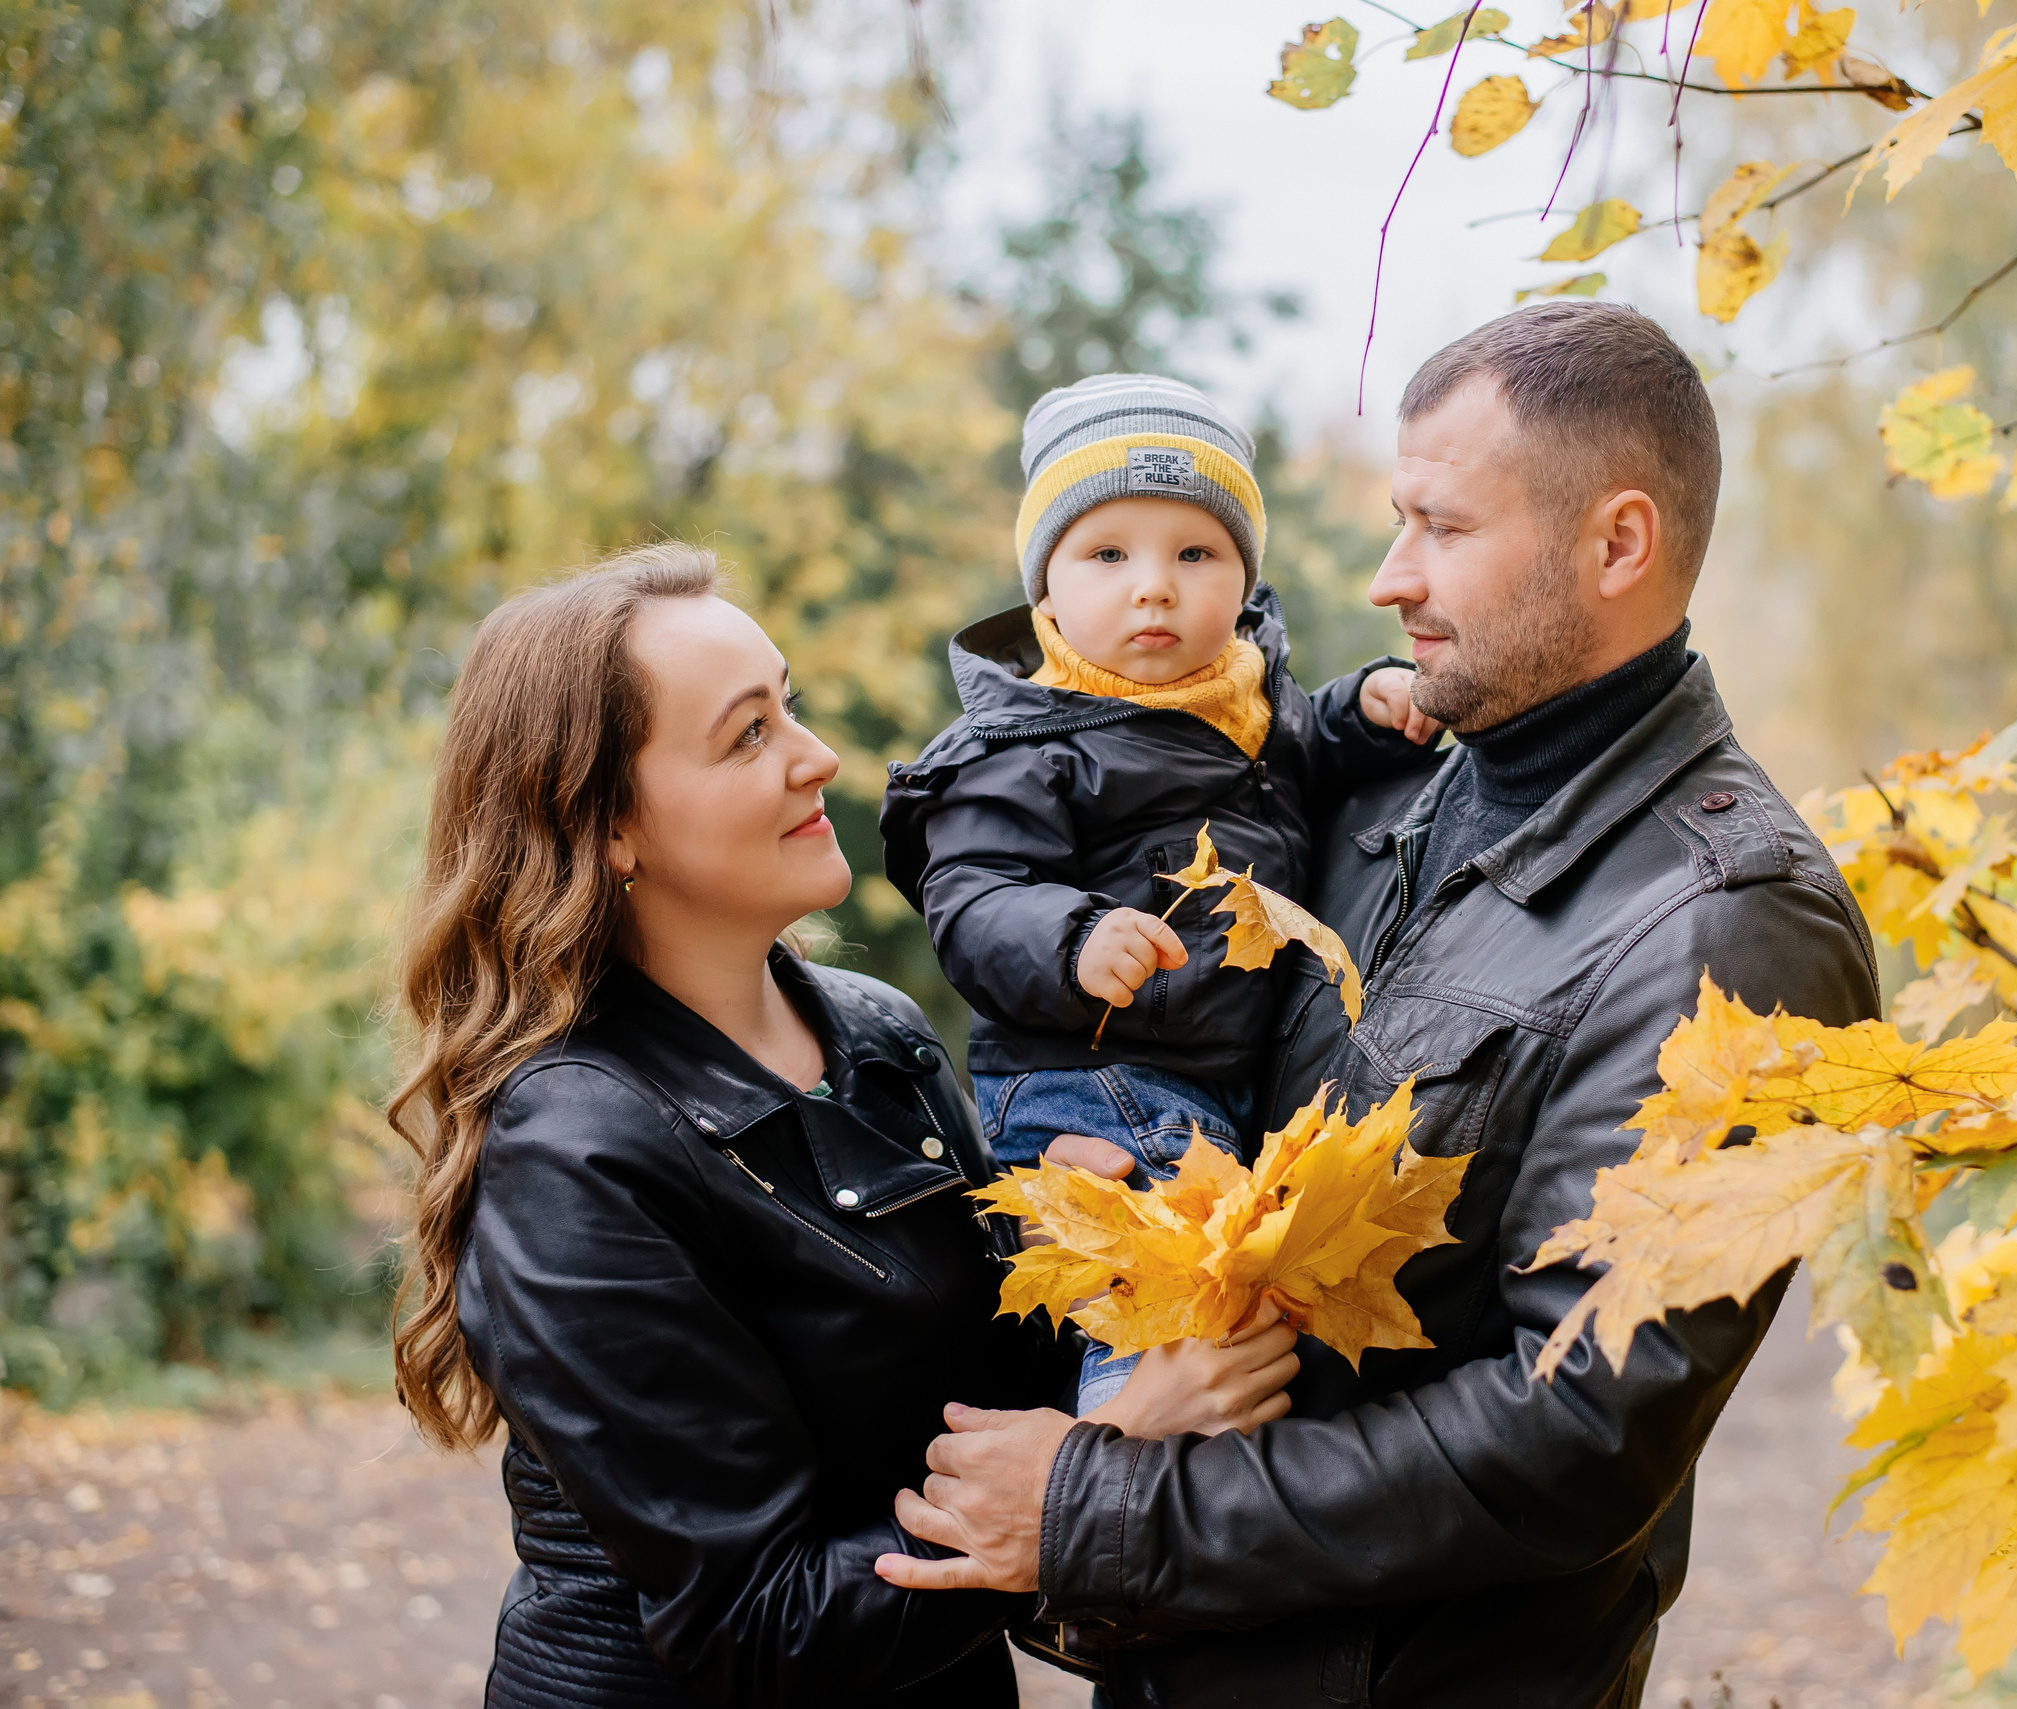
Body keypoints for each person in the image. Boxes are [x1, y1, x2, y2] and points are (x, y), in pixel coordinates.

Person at [875, 303, 1882, 1708]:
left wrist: (1101, 1510)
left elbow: (1580, 1427)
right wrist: (1088, 1217)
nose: (1391, 574)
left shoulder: (1728, 925)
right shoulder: (1366, 791)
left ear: (1618, 544)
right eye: (1396, 518)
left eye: (1445, 528)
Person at [385, 542, 1301, 1707]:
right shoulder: (571, 1152)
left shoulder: (878, 1032)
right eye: (747, 734)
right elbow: (748, 1623)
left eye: (791, 706)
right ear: (609, 826)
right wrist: (1103, 1463)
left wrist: (1070, 1260)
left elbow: (970, 1391)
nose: (817, 756)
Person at [880, 373, 1441, 1408]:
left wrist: (1366, 705)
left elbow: (1309, 753)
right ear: (1044, 589)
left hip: (1213, 1077)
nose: (1154, 585)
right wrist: (1072, 936)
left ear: (1242, 577)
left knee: (1226, 1293)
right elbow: (972, 896)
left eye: (1195, 552)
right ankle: (1121, 1487)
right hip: (1089, 1074)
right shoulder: (1022, 743)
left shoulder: (1254, 708)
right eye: (1108, 553)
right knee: (1172, 1301)